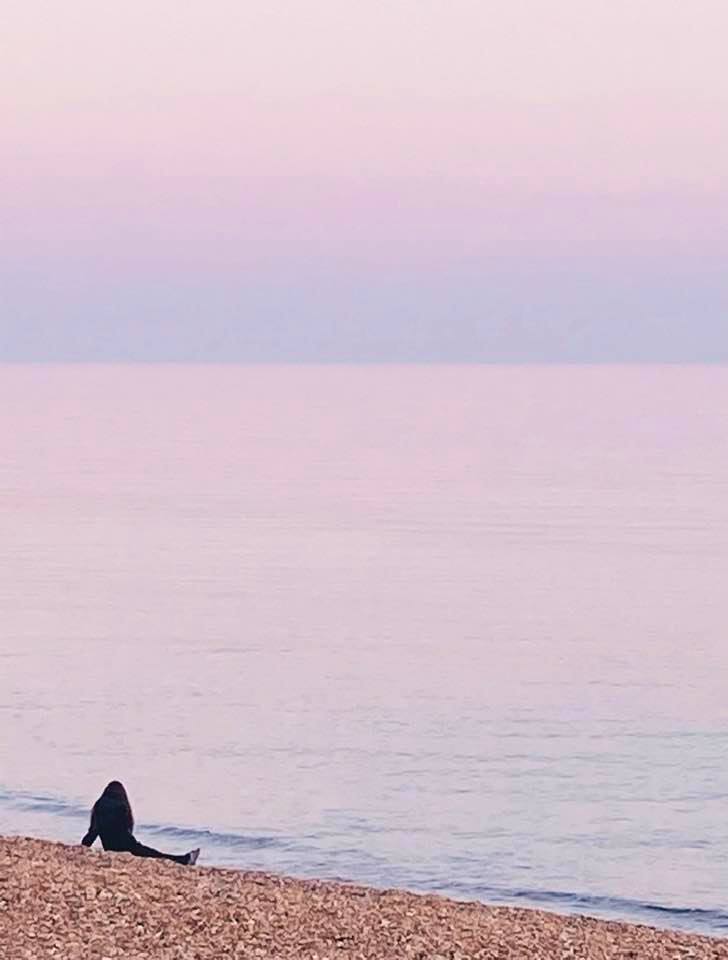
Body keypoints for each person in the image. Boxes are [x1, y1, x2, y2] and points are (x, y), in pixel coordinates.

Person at [81, 780, 199, 866]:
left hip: (110, 848)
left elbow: (93, 832)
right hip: (127, 845)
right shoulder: (122, 806)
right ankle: (183, 860)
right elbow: (124, 831)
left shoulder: (98, 806)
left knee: (153, 854)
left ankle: (184, 859)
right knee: (154, 854)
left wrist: (82, 848)